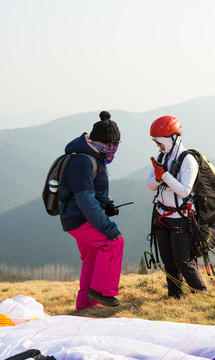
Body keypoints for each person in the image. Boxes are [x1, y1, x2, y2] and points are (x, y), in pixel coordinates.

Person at [59, 110, 124, 310]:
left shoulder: (91, 156)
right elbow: (85, 198)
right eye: (111, 145)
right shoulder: (83, 161)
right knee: (114, 242)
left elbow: (92, 192)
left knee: (93, 257)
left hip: (75, 217)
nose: (113, 149)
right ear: (100, 142)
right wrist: (106, 226)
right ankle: (102, 291)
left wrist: (107, 205)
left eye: (116, 145)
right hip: (79, 218)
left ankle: (85, 306)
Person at [147, 115, 207, 299]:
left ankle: (201, 293)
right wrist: (158, 178)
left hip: (180, 217)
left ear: (171, 138)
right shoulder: (161, 157)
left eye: (159, 142)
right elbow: (150, 185)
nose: (158, 146)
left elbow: (184, 190)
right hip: (162, 216)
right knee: (168, 262)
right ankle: (174, 296)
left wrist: (163, 176)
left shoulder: (188, 160)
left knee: (182, 261)